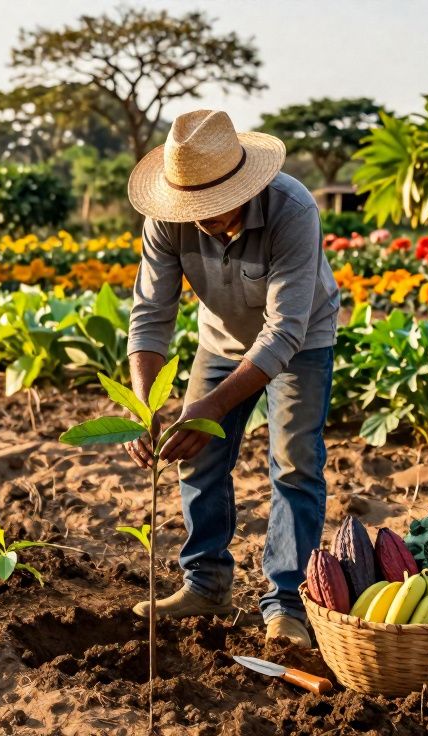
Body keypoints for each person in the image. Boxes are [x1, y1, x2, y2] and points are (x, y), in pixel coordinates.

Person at [123, 109, 340, 647]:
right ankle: (206, 582)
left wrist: (212, 407)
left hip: (301, 341)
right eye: (191, 208)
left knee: (295, 462)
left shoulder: (293, 209)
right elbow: (151, 315)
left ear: (245, 185)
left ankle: (287, 603)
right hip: (220, 340)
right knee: (196, 454)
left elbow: (284, 330)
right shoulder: (166, 218)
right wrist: (146, 407)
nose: (201, 220)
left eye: (213, 207)